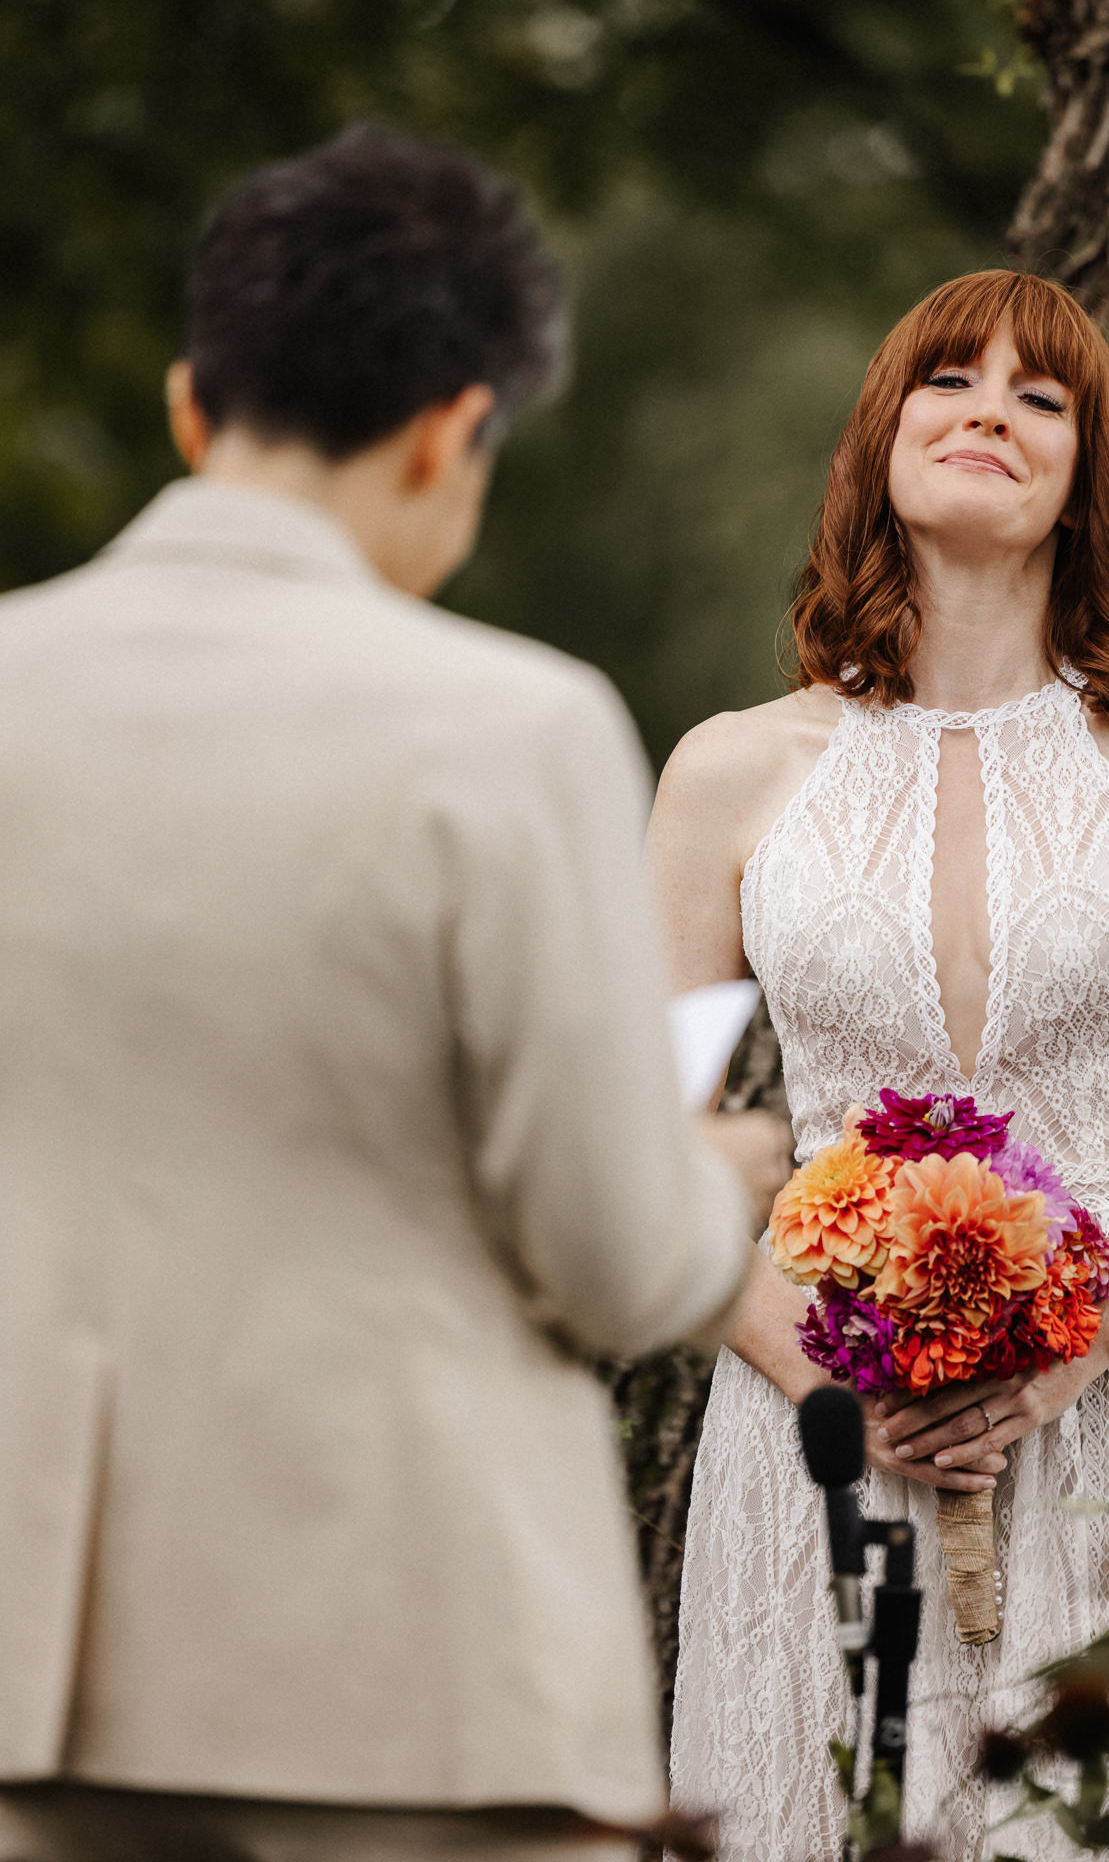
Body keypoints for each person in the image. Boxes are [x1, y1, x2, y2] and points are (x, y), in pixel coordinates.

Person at [0, 123, 786, 1862]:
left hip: (29, 1646)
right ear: (455, 429)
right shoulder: (510, 726)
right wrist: (715, 1186)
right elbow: (609, 1253)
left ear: (192, 404)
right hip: (405, 1663)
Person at [652, 270, 1109, 1860]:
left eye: (1037, 396)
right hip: (821, 1417)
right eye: (947, 381)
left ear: (1079, 476)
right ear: (880, 443)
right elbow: (631, 1137)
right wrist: (827, 1383)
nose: (987, 409)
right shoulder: (725, 773)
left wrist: (1085, 1341)